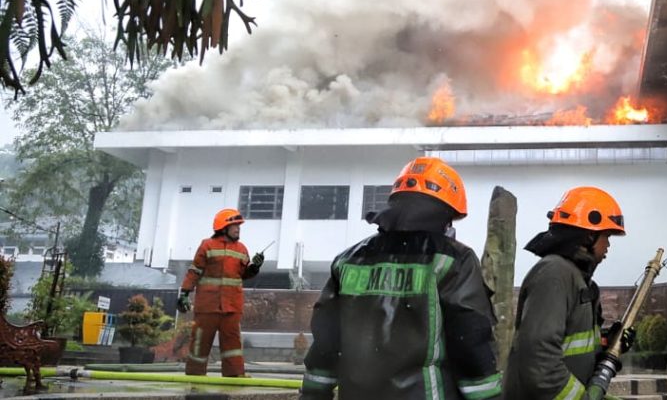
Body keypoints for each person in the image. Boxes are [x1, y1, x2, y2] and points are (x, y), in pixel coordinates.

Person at [300, 156, 501, 400]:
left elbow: (326, 343)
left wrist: (313, 394)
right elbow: (470, 341)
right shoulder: (453, 259)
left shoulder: (349, 260)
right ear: (445, 215)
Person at [503, 186, 633, 400]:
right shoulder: (554, 274)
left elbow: (571, 347)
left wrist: (607, 344)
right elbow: (540, 361)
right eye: (606, 236)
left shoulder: (580, 281)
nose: (608, 244)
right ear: (589, 236)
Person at [177, 208, 264, 377]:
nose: (238, 229)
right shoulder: (207, 245)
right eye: (235, 225)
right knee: (200, 343)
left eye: (239, 225)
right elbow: (194, 271)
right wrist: (185, 293)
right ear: (223, 227)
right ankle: (195, 376)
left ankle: (235, 376)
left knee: (232, 345)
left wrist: (255, 267)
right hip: (207, 307)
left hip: (231, 308)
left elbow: (244, 274)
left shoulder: (242, 249)